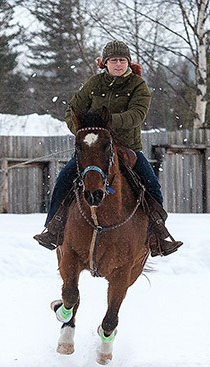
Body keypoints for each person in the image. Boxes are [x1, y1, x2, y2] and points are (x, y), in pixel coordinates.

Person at [34, 40, 182, 256]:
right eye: (114, 60)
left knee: (151, 184)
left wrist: (107, 122)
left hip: (128, 148)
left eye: (122, 60)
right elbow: (72, 111)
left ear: (129, 63)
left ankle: (157, 235)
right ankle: (53, 229)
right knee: (64, 178)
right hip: (94, 148)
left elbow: (136, 116)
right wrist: (85, 133)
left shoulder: (138, 86)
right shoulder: (94, 84)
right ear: (105, 63)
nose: (118, 64)